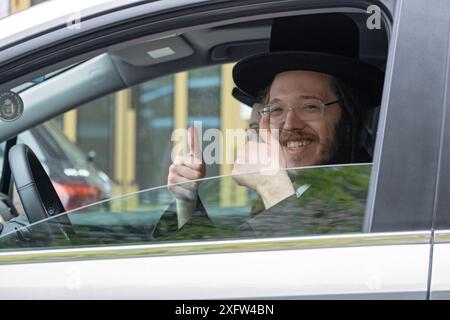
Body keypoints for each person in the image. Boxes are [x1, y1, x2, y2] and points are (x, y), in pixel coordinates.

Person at [153, 13, 384, 238]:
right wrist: (187, 202)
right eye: (277, 109)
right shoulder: (299, 189)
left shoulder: (373, 194)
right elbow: (224, 269)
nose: (289, 124)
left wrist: (271, 184)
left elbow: (318, 271)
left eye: (310, 107)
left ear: (349, 116)